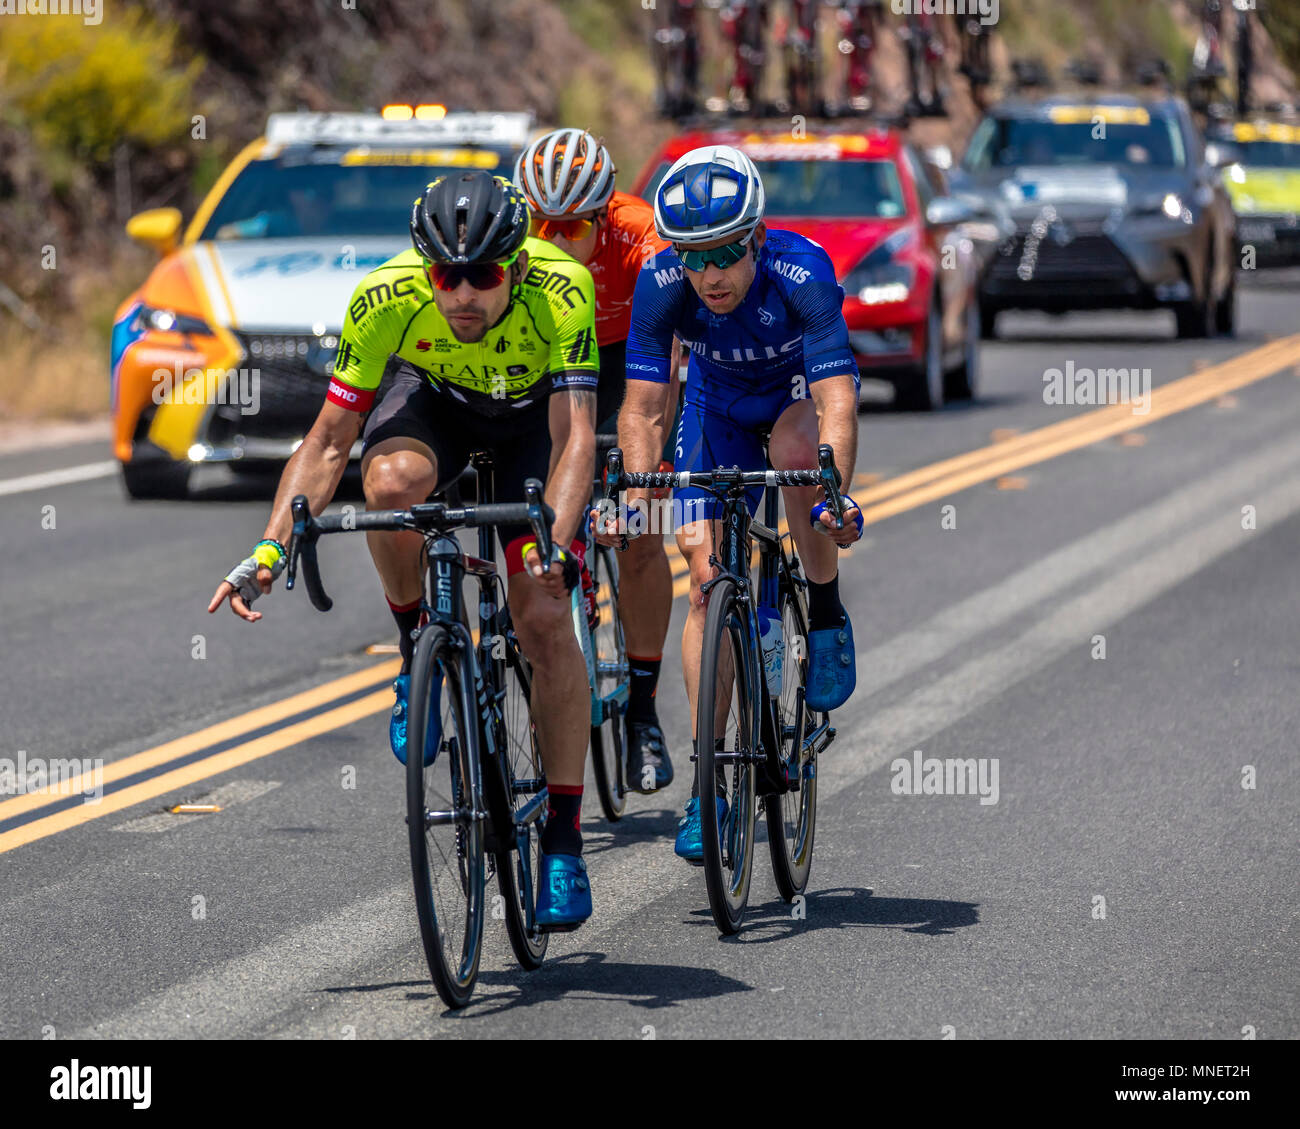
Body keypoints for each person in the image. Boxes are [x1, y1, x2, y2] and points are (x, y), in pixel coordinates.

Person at [208, 171, 600, 930]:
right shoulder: (384, 297)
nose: (461, 294)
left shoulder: (563, 288)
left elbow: (575, 436)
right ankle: (414, 641)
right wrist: (267, 551)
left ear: (516, 265)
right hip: (440, 405)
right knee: (387, 487)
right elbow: (327, 442)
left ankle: (562, 837)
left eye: (481, 276)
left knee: (544, 616)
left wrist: (554, 546)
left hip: (530, 427)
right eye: (445, 275)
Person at [597, 145, 864, 862]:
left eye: (724, 253)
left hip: (791, 404)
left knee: (799, 458)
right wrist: (636, 489)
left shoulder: (801, 273)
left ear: (756, 236)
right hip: (713, 410)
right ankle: (706, 783)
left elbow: (837, 396)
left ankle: (827, 610)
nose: (709, 274)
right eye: (693, 255)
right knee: (704, 573)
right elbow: (646, 409)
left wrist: (836, 492)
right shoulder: (663, 282)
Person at [515, 127, 680, 794]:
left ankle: (642, 709)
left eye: (573, 227)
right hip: (552, 360)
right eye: (542, 224)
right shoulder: (514, 238)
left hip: (627, 360)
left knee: (639, 531)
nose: (553, 241)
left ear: (604, 216)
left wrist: (651, 461)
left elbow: (666, 355)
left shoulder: (639, 233)